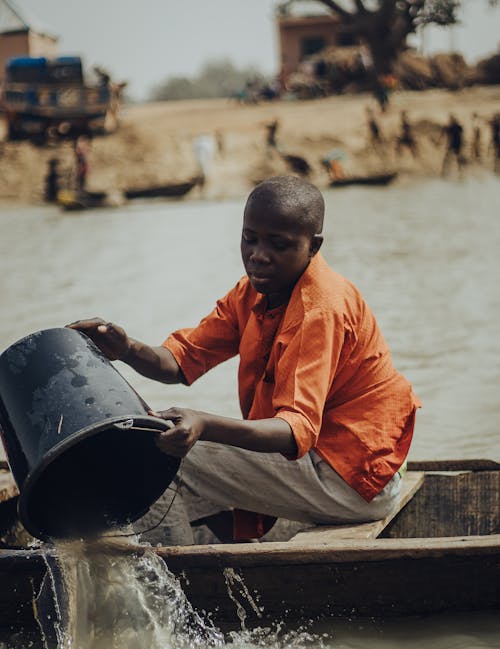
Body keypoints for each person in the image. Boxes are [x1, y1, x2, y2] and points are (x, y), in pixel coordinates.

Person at [69, 175, 421, 546]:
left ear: (313, 246)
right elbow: (182, 360)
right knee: (152, 472)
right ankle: (210, 560)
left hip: (352, 482)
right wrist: (126, 349)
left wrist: (203, 423)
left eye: (278, 244)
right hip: (328, 467)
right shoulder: (253, 291)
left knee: (158, 457)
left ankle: (173, 589)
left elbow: (293, 430)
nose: (258, 254)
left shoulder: (320, 309)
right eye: (250, 238)